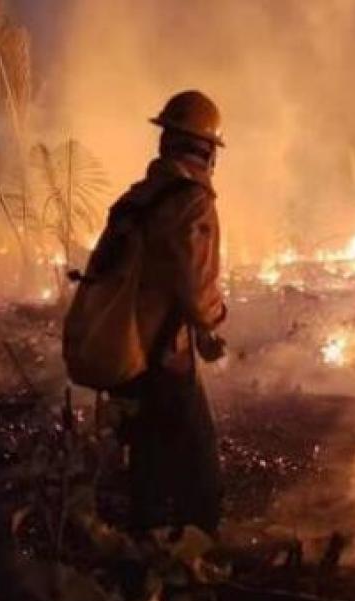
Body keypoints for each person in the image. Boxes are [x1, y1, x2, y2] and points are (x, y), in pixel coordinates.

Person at [105, 90, 228, 535]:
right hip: (163, 358)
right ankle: (197, 575)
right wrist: (214, 322)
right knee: (202, 476)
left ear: (165, 142)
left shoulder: (138, 197)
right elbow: (195, 288)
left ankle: (141, 567)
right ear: (207, 149)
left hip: (125, 351)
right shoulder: (193, 200)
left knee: (149, 467)